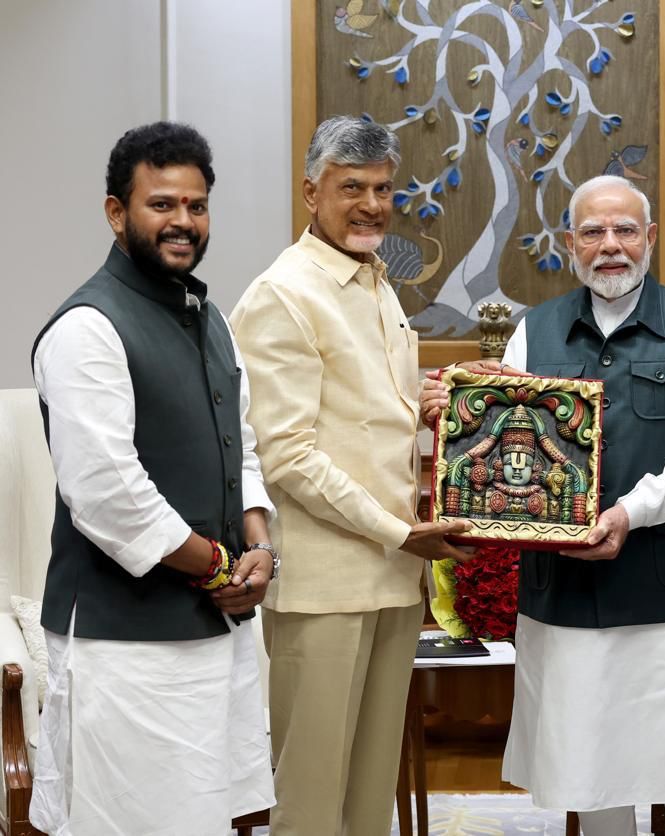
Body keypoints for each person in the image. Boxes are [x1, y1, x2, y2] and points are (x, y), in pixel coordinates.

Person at [29, 121, 275, 834]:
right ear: (117, 213)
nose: (183, 222)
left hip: (215, 633)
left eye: (196, 206)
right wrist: (221, 565)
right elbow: (108, 496)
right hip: (124, 646)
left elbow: (243, 450)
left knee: (205, 817)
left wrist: (262, 548)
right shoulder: (86, 329)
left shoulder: (211, 319)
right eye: (161, 204)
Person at [229, 115, 471, 836]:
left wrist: (433, 402)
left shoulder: (375, 283)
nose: (371, 204)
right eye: (351, 188)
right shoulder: (283, 295)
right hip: (327, 587)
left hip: (394, 576)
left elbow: (371, 414)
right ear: (311, 192)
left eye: (383, 189)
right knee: (310, 799)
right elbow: (289, 456)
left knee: (369, 798)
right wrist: (403, 533)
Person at [495, 174, 665, 836]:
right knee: (588, 770)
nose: (611, 246)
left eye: (626, 230)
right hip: (565, 597)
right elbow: (507, 451)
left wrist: (630, 512)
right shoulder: (534, 332)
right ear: (570, 245)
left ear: (650, 238)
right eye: (594, 232)